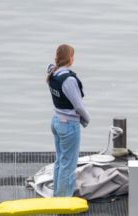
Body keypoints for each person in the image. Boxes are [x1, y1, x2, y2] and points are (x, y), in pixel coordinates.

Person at [47, 44, 91, 197]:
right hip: (68, 125)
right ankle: (63, 199)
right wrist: (87, 119)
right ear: (70, 58)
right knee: (68, 164)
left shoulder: (53, 73)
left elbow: (51, 67)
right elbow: (78, 105)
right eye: (73, 56)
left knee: (61, 160)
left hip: (56, 121)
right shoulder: (68, 80)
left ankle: (57, 194)